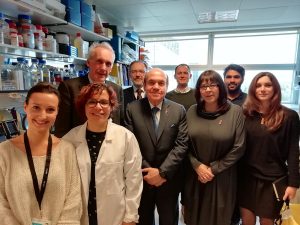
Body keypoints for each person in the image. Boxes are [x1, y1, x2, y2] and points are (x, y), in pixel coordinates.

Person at [0, 82, 82, 224]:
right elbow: (1, 204)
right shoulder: (4, 152)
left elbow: (73, 201)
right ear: (25, 107)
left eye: (50, 109)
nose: (42, 116)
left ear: (57, 112)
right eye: (36, 107)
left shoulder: (67, 150)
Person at [62, 83, 143, 225]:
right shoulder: (70, 139)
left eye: (104, 102)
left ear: (111, 106)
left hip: (115, 214)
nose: (98, 107)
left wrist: (130, 217)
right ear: (84, 106)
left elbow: (134, 180)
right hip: (78, 215)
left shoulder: (125, 137)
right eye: (92, 102)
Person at [125, 68, 189, 225]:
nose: (156, 87)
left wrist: (162, 173)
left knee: (169, 221)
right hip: (142, 178)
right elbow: (130, 146)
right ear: (144, 85)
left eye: (161, 83)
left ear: (166, 86)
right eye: (151, 82)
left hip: (168, 180)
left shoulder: (178, 110)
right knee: (144, 220)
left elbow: (181, 145)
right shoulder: (132, 109)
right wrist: (148, 171)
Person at [183, 70, 245, 225]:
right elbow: (184, 144)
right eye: (203, 86)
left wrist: (213, 169)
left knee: (219, 218)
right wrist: (197, 165)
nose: (208, 90)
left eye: (213, 85)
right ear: (198, 90)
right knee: (193, 218)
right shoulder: (191, 111)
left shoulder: (235, 112)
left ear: (221, 87)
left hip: (222, 177)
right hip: (195, 176)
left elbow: (239, 147)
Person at [238, 72, 300, 225]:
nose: (262, 89)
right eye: (258, 85)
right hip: (246, 178)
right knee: (247, 221)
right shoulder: (245, 114)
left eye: (267, 85)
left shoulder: (289, 116)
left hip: (272, 180)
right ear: (253, 89)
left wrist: (293, 184)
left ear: (275, 89)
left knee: (267, 221)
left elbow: (293, 152)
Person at [54, 42, 124, 137]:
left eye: (108, 64)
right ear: (88, 62)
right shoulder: (69, 88)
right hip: (77, 147)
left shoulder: (117, 89)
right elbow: (61, 129)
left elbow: (118, 123)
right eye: (99, 62)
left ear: (111, 68)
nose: (103, 68)